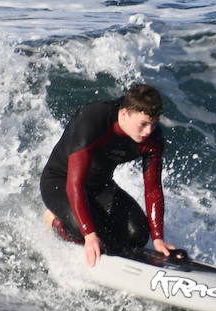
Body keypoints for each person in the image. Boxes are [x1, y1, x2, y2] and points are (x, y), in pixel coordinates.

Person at [40, 82, 175, 267]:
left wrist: (158, 238)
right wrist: (89, 234)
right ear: (124, 113)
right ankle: (55, 221)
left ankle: (98, 232)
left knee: (139, 234)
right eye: (143, 124)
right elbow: (75, 184)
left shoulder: (152, 138)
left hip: (100, 186)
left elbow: (152, 190)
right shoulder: (93, 120)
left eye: (153, 124)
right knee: (87, 232)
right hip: (61, 183)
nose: (148, 131)